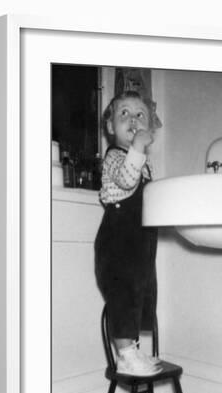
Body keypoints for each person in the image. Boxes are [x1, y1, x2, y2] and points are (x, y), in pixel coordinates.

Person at [94, 91, 163, 376]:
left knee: (139, 294)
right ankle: (124, 355)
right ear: (110, 127)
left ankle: (132, 350)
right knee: (122, 295)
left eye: (140, 115)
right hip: (117, 242)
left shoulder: (144, 165)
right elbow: (125, 179)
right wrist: (137, 147)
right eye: (124, 114)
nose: (133, 119)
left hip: (139, 243)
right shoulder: (114, 157)